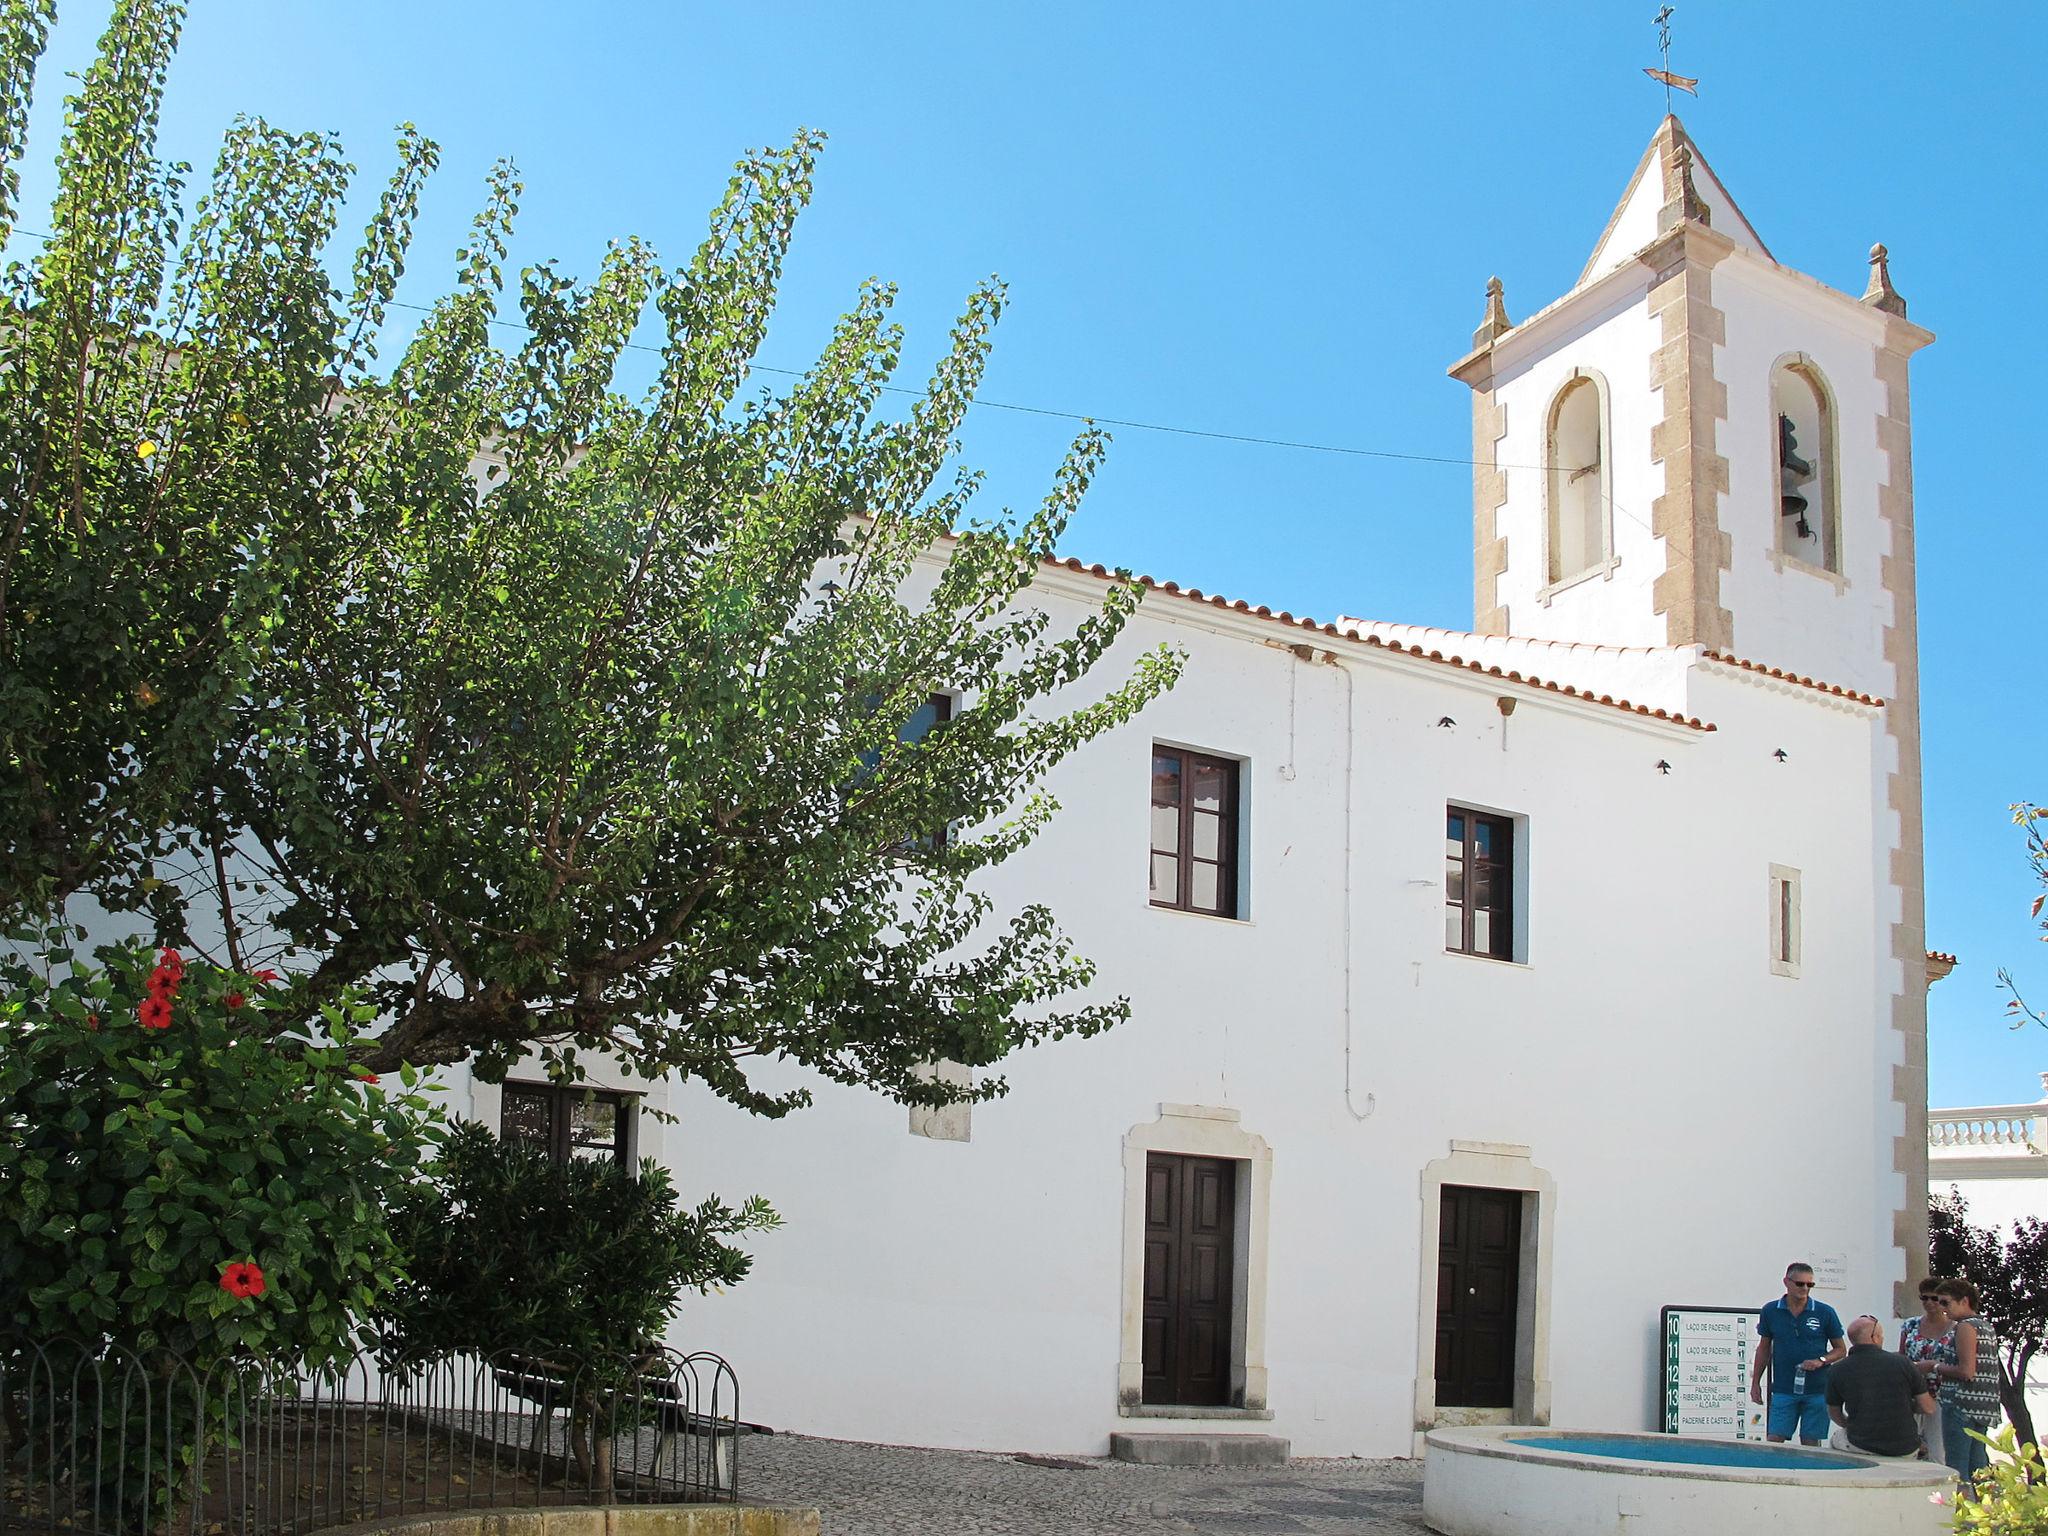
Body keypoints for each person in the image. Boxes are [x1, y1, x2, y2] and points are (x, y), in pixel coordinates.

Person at [1749, 1261, 1847, 1445]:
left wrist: (1821, 1360)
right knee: (1774, 1439)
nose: (1805, 1289)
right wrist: (1756, 1382)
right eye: (1800, 1284)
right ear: (1787, 1282)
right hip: (1784, 1387)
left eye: (1810, 1285)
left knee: (1810, 1442)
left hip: (1817, 1389)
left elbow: (1841, 1349)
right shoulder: (1771, 1310)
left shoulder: (1824, 1312)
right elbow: (1764, 1347)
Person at [1826, 1315, 1935, 1457]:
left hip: (1860, 1444)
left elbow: (1834, 1413)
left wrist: (1851, 1426)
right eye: (1881, 1335)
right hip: (1905, 1447)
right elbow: (1928, 1407)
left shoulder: (1837, 1370)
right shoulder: (1903, 1363)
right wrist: (1909, 1406)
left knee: (1836, 1438)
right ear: (1875, 1338)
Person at [1930, 1278, 2001, 1481]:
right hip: (1982, 1405)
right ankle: (1984, 1509)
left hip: (1961, 1403)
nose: (1942, 1308)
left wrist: (1933, 1366)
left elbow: (1966, 1370)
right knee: (1978, 1465)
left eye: (1946, 1302)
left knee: (1957, 1466)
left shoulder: (1965, 1327)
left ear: (1964, 1301)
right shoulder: (1985, 1326)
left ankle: (1958, 1510)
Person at [1898, 1278, 1955, 1461]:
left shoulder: (1955, 1329)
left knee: (1937, 1449)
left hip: (1941, 1393)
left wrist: (1932, 1366)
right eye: (1924, 1298)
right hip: (1912, 1391)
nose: (1929, 1303)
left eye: (1934, 1298)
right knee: (1907, 1447)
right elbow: (1902, 1355)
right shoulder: (1910, 1325)